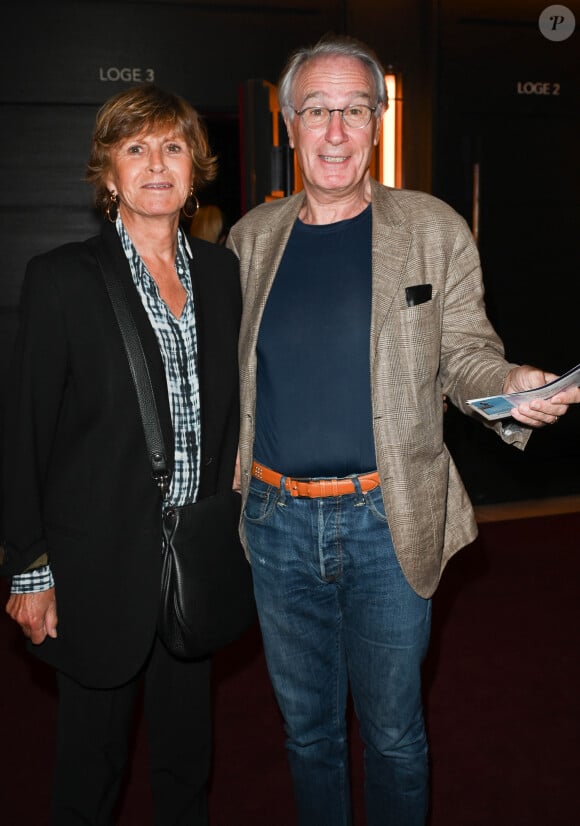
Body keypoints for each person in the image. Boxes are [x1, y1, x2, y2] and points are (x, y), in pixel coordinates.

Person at [226, 33, 580, 826]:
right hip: (276, 525)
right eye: (318, 110)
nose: (337, 131)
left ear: (379, 122)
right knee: (307, 733)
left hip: (390, 521)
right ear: (290, 123)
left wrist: (509, 385)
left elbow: (466, 354)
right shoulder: (248, 241)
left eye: (356, 109)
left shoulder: (432, 227)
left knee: (392, 735)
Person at [0, 83, 242, 825]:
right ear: (109, 175)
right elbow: (22, 432)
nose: (156, 164)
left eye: (173, 147)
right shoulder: (63, 278)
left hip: (193, 559)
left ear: (194, 168)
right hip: (96, 567)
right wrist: (29, 566)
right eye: (135, 149)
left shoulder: (223, 274)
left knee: (185, 765)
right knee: (89, 774)